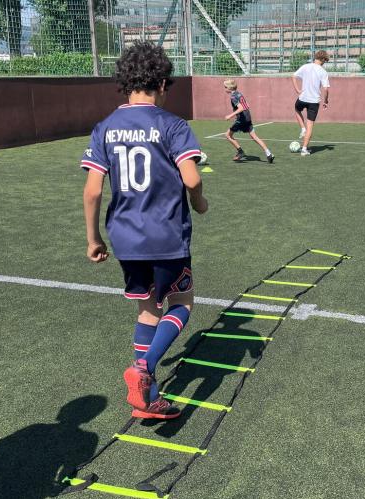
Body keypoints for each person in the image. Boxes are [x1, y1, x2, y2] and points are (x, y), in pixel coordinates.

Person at [81, 41, 208, 420]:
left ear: (125, 83)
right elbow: (191, 177)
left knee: (148, 310)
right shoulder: (172, 125)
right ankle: (144, 368)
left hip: (125, 238)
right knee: (182, 304)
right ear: (164, 84)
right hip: (166, 236)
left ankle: (147, 398)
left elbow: (91, 191)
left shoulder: (105, 128)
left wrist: (93, 238)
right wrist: (200, 204)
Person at [223, 79, 274, 163]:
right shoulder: (239, 94)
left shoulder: (233, 97)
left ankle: (240, 152)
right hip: (248, 116)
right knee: (254, 137)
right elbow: (247, 105)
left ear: (229, 88)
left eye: (225, 87)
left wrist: (230, 115)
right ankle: (268, 153)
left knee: (228, 135)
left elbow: (241, 108)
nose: (224, 89)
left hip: (242, 119)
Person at [292, 50, 330, 156]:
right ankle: (304, 149)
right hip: (314, 101)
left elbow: (293, 76)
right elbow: (326, 89)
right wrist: (326, 101)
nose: (324, 63)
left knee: (296, 109)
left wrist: (297, 90)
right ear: (322, 59)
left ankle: (302, 129)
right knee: (310, 125)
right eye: (325, 61)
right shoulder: (323, 72)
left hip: (303, 97)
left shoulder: (305, 66)